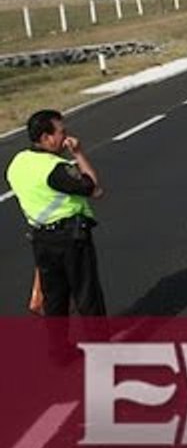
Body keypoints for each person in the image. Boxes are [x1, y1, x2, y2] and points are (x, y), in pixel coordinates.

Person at [6, 109, 107, 316]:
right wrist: (78, 153)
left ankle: (59, 348)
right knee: (87, 296)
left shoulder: (18, 162)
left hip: (41, 239)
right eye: (61, 132)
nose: (66, 137)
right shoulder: (56, 168)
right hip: (71, 238)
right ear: (46, 137)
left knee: (54, 300)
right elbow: (95, 188)